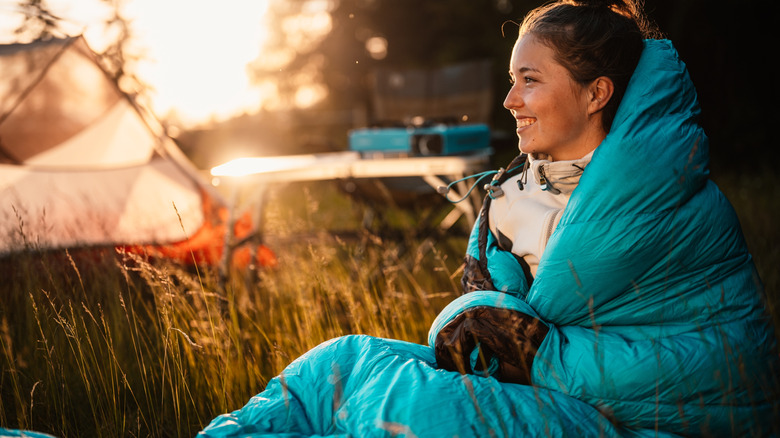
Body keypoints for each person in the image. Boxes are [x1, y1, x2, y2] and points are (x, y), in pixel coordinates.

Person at [199, 1, 780, 436]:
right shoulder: (514, 196)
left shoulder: (664, 198)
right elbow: (500, 316)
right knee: (337, 364)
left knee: (412, 406)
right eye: (511, 81)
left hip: (633, 420)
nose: (510, 101)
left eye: (530, 80)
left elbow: (718, 364)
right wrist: (482, 320)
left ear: (596, 93)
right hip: (546, 395)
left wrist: (534, 353)